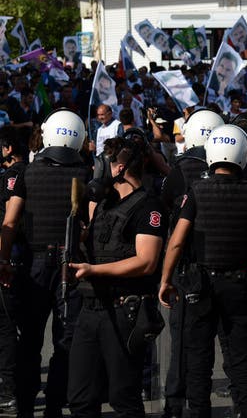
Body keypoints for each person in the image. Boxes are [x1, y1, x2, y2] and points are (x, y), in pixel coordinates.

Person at [159, 124, 247, 418]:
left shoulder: (197, 191)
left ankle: (199, 412)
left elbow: (177, 241)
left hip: (201, 284)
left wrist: (166, 280)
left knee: (199, 358)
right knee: (243, 357)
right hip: (241, 283)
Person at [67, 136, 167, 418]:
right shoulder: (101, 203)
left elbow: (146, 262)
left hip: (124, 311)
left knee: (123, 397)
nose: (99, 168)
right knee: (80, 397)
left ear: (120, 167)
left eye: (106, 162)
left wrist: (94, 271)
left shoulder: (149, 207)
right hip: (90, 308)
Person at [1, 110, 91, 418]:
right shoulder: (87, 173)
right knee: (66, 341)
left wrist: (3, 260)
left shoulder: (26, 173)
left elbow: (10, 222)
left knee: (29, 340)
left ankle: (25, 406)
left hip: (34, 265)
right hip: (73, 266)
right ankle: (54, 405)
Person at [160, 109, 223, 418]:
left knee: (185, 343)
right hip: (228, 265)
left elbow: (167, 213)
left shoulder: (181, 171)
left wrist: (166, 275)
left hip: (189, 268)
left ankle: (176, 403)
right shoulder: (233, 168)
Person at [0, 127, 27, 414]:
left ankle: (9, 389)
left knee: (6, 327)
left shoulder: (11, 177)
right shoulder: (30, 171)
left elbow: (10, 221)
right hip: (27, 259)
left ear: (8, 149)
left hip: (11, 258)